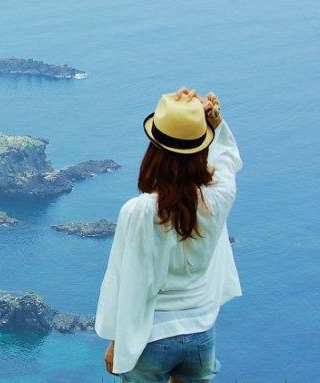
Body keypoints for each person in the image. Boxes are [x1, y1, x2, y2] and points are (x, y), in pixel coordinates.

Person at [95, 87, 242, 382]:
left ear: (155, 152)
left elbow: (124, 279)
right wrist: (215, 124)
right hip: (201, 332)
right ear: (202, 149)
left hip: (152, 336)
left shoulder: (139, 212)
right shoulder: (219, 197)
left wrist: (115, 341)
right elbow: (227, 159)